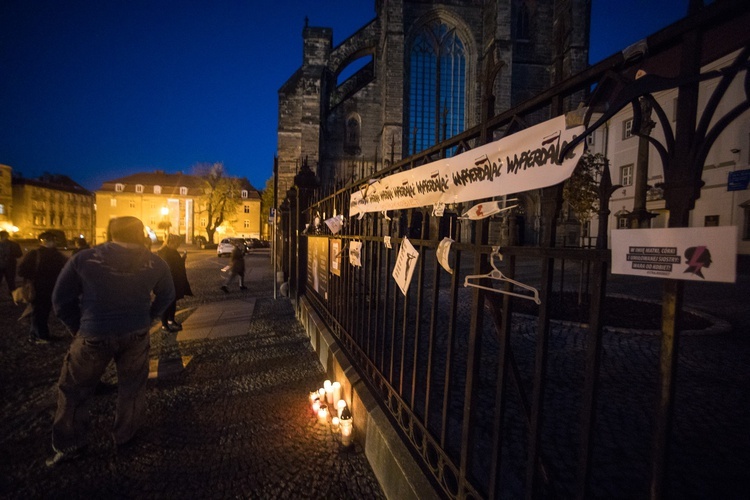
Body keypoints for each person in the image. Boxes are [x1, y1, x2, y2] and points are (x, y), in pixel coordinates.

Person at [46, 216, 175, 467]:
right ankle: (125, 435)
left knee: (75, 389)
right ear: (140, 234)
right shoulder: (155, 262)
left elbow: (60, 299)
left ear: (110, 233)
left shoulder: (84, 259)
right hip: (136, 332)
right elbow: (167, 294)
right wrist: (148, 318)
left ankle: (71, 443)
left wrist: (77, 326)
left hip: (94, 332)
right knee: (132, 387)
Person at [17, 233, 68, 344]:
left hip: (41, 287)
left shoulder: (36, 254)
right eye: (50, 240)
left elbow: (22, 271)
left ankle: (38, 334)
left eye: (53, 239)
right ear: (42, 240)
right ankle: (39, 336)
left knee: (40, 312)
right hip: (45, 288)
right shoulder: (55, 255)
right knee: (40, 312)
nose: (52, 242)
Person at [156, 234, 193, 332]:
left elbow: (177, 264)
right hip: (167, 282)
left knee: (172, 302)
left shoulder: (172, 251)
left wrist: (183, 258)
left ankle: (171, 320)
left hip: (174, 281)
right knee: (167, 303)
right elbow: (169, 267)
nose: (178, 245)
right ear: (170, 242)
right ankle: (164, 325)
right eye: (176, 243)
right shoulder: (164, 253)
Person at [0, 230, 23, 299]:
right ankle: (13, 296)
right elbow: (19, 254)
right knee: (11, 282)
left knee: (9, 282)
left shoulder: (13, 244)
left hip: (4, 265)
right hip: (10, 265)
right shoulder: (14, 244)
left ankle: (12, 296)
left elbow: (19, 254)